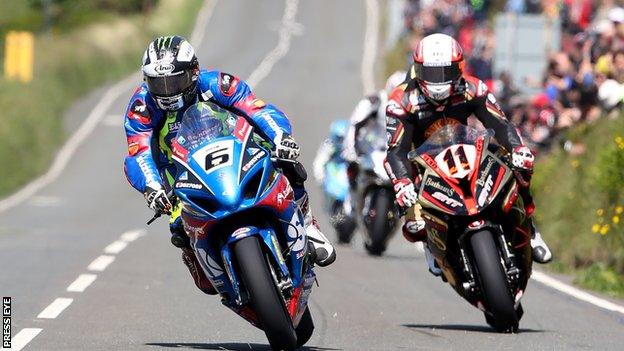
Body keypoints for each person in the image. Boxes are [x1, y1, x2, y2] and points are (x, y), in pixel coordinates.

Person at [123, 35, 335, 295]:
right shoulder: (142, 106)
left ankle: (308, 225)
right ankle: (203, 260)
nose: (167, 91)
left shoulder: (217, 84)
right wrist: (153, 188)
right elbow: (138, 153)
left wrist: (281, 137)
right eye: (158, 83)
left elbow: (257, 109)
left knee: (287, 164)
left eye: (174, 81)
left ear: (193, 72)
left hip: (237, 154)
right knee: (180, 230)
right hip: (181, 175)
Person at [384, 33, 552, 275]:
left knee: (520, 164)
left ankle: (531, 229)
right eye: (431, 74)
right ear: (418, 70)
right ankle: (431, 244)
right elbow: (395, 151)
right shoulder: (400, 102)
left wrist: (518, 149)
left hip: (469, 150)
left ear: (459, 67)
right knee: (413, 223)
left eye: (446, 72)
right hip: (423, 162)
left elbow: (502, 124)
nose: (438, 82)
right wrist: (402, 183)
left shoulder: (473, 88)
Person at [342, 71, 407, 191]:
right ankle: (350, 203)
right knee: (352, 170)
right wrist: (351, 149)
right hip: (369, 152)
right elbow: (354, 123)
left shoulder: (413, 107)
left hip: (394, 156)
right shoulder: (375, 101)